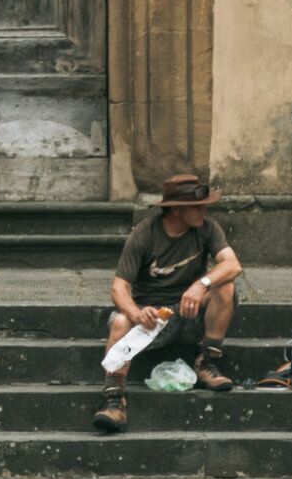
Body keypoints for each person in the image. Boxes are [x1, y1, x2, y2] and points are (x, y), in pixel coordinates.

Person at [93, 170, 241, 435]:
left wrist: (200, 285)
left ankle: (206, 360)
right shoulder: (145, 234)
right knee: (119, 321)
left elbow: (232, 264)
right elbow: (119, 287)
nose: (203, 210)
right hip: (153, 322)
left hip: (190, 312)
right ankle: (113, 400)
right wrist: (137, 314)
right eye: (196, 206)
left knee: (225, 285)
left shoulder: (208, 229)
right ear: (175, 209)